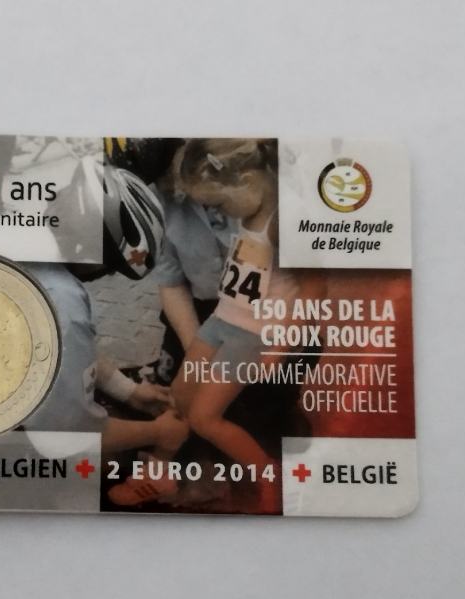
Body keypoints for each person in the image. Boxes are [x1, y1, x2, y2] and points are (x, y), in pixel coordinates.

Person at [169, 139, 324, 513]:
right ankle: (203, 467)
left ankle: (269, 476)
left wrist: (281, 343)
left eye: (218, 205)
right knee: (181, 393)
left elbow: (315, 287)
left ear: (249, 181)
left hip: (253, 333)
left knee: (205, 417)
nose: (216, 213)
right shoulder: (250, 207)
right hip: (223, 317)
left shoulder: (285, 222)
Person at [22, 157, 189, 488]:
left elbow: (63, 354)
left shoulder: (25, 237)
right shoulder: (62, 305)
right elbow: (63, 437)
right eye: (110, 266)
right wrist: (159, 433)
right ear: (88, 247)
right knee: (111, 463)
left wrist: (129, 392)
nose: (107, 275)